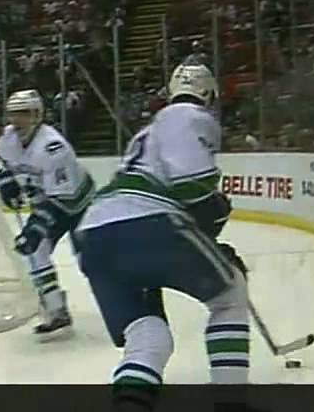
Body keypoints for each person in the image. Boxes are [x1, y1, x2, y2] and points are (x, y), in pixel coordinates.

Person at [75, 58, 250, 388]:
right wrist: (215, 215)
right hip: (147, 223)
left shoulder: (150, 129)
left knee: (149, 335)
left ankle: (129, 410)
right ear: (209, 95)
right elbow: (191, 185)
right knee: (230, 293)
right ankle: (231, 403)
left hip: (95, 234)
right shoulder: (191, 116)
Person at [0, 90, 95, 340]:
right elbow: (8, 166)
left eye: (24, 114)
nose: (17, 120)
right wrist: (7, 183)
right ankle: (56, 310)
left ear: (37, 115)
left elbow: (60, 199)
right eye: (13, 114)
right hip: (47, 203)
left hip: (79, 205)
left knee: (91, 262)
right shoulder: (8, 140)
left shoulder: (52, 147)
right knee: (36, 252)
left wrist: (35, 228)